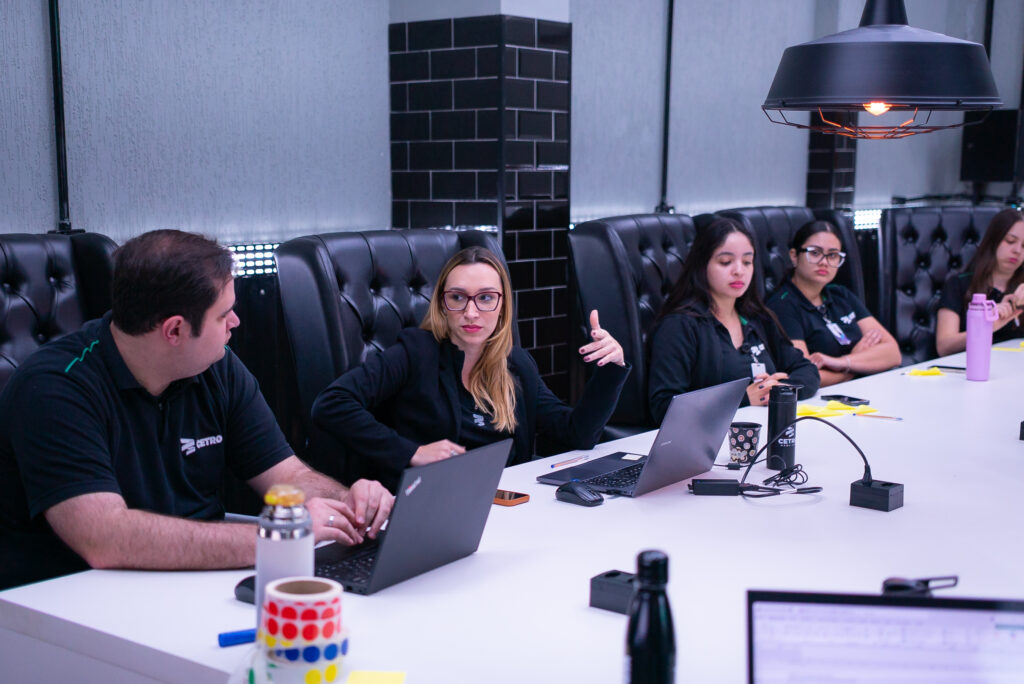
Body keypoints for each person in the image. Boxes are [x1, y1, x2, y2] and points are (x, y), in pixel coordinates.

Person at [0, 230, 393, 590]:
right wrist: (284, 536)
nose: (235, 323)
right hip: (70, 603)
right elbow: (105, 538)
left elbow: (286, 475)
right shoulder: (54, 388)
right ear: (174, 331)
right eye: (224, 315)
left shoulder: (216, 366)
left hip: (191, 582)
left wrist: (352, 504)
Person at [312, 246, 630, 491]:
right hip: (433, 508)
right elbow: (331, 404)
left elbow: (577, 433)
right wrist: (411, 452)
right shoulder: (414, 352)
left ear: (502, 304)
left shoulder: (516, 364)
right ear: (441, 303)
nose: (471, 312)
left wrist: (612, 369)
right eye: (458, 298)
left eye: (486, 298)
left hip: (508, 506)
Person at [647, 218, 819, 424]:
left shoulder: (759, 318)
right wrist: (744, 399)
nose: (739, 270)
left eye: (747, 262)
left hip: (766, 431)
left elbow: (807, 371)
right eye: (725, 262)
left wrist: (779, 391)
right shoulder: (679, 325)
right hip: (708, 444)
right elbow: (664, 407)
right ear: (702, 265)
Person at [767, 220, 900, 387]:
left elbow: (893, 353)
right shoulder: (782, 306)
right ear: (794, 256)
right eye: (815, 253)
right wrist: (858, 366)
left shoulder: (841, 294)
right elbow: (804, 377)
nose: (824, 262)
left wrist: (843, 362)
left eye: (832, 255)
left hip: (864, 389)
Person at [936, 208, 1024, 356]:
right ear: (993, 241)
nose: (1017, 251)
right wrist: (987, 326)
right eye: (1010, 241)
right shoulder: (958, 284)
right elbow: (944, 346)